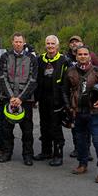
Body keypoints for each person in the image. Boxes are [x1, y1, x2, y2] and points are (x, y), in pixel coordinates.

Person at [64, 45, 98, 184]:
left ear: (89, 56)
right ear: (76, 56)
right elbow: (64, 91)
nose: (82, 56)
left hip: (95, 113)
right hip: (78, 112)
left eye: (85, 54)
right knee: (81, 141)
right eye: (80, 54)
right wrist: (69, 107)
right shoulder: (70, 72)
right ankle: (82, 164)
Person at [0, 33, 38, 165]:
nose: (18, 44)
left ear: (24, 42)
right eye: (16, 41)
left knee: (27, 130)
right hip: (7, 98)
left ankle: (27, 155)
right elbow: (2, 77)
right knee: (6, 128)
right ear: (12, 42)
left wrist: (20, 98)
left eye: (20, 41)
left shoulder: (31, 58)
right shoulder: (5, 56)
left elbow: (33, 80)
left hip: (25, 100)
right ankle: (6, 153)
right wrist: (11, 97)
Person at [34, 35, 70, 166]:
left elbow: (68, 82)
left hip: (57, 99)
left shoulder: (64, 60)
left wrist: (67, 102)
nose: (50, 46)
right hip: (43, 98)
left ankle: (58, 154)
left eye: (52, 44)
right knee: (44, 126)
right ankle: (46, 151)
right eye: (48, 43)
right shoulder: (40, 60)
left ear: (57, 46)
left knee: (55, 127)